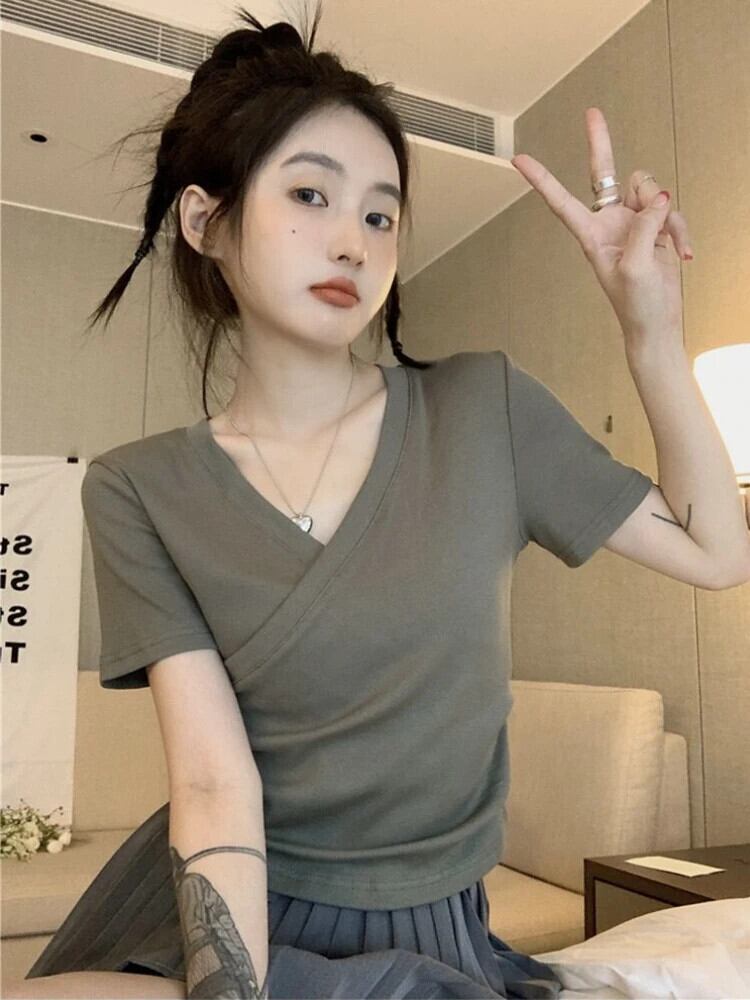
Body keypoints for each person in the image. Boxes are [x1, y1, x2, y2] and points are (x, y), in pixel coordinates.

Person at [12, 2, 748, 998]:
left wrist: (652, 330)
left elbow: (717, 553)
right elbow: (213, 781)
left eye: (380, 214)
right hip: (221, 910)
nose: (353, 242)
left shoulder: (485, 409)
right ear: (204, 221)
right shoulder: (137, 487)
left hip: (426, 933)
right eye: (309, 194)